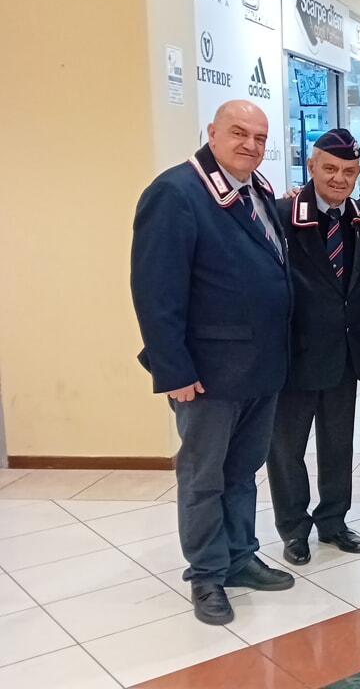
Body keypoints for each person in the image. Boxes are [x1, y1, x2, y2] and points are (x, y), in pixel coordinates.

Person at [131, 100, 296, 625]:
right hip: (207, 374)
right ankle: (206, 574)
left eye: (260, 137)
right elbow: (155, 291)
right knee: (203, 477)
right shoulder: (177, 192)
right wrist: (173, 369)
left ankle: (240, 556)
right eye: (239, 133)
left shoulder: (255, 190)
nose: (251, 144)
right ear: (212, 132)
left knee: (242, 470)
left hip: (260, 367)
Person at [265, 129, 360, 566]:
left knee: (338, 444)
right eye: (329, 168)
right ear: (311, 166)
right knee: (286, 449)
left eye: (348, 171)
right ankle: (294, 529)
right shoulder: (280, 215)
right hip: (296, 355)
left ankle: (333, 520)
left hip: (344, 354)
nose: (339, 179)